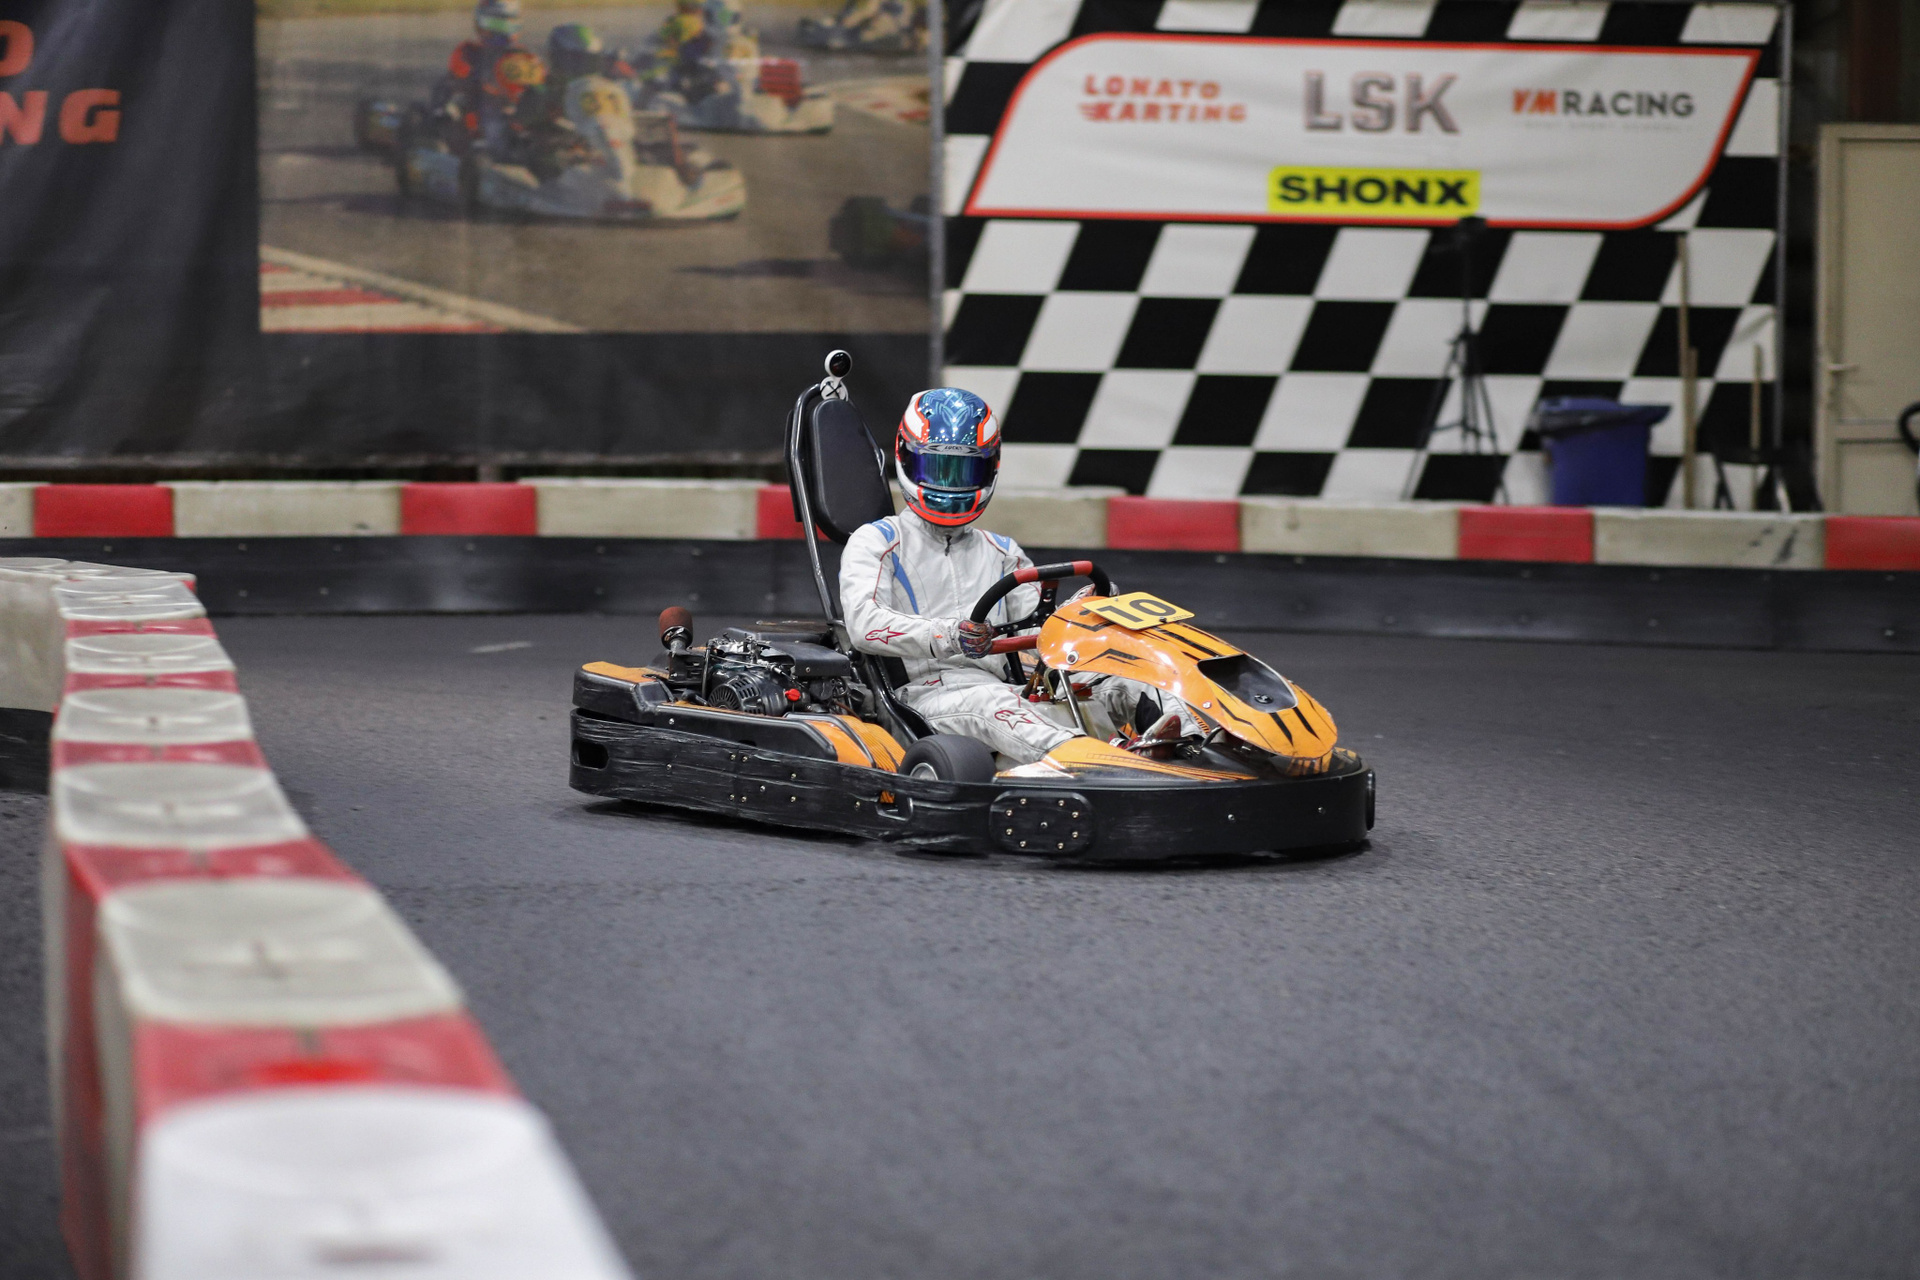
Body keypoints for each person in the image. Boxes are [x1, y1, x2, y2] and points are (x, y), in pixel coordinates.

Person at [839, 388, 1181, 765]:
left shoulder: (1001, 551)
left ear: (989, 470)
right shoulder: (878, 541)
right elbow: (863, 625)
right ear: (907, 458)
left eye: (964, 472)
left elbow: (1038, 634)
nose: (950, 485)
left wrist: (1077, 617)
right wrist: (949, 634)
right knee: (993, 702)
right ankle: (1103, 763)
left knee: (1125, 678)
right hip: (924, 698)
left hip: (1003, 689)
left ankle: (1196, 748)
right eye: (938, 469)